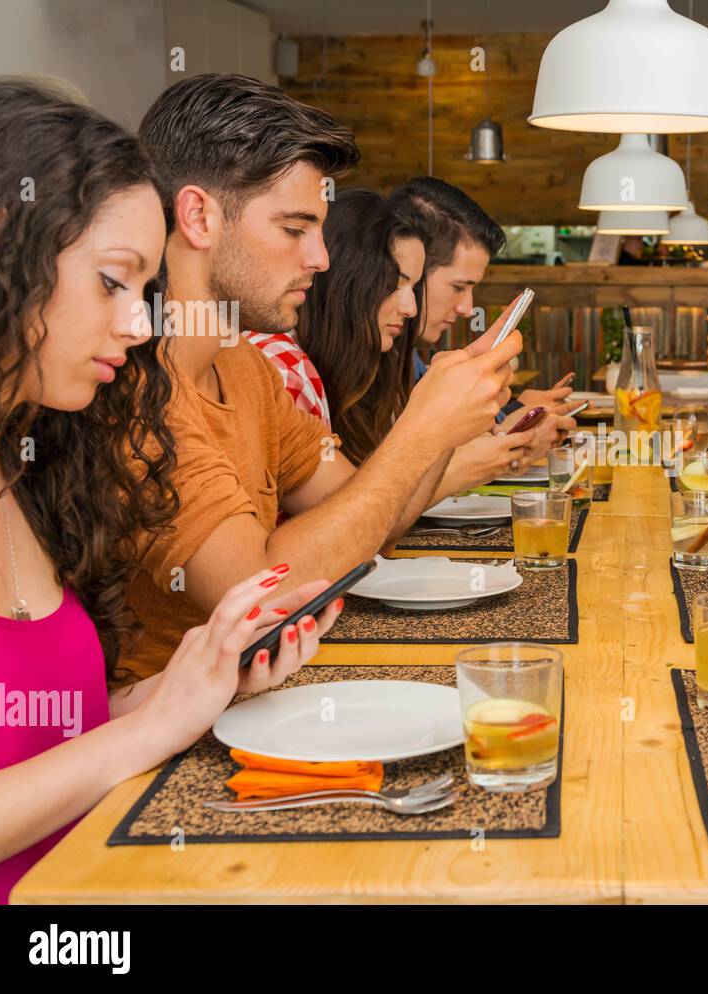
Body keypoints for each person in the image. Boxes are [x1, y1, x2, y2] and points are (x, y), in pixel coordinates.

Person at [0, 79, 338, 905]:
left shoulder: (31, 470)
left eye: (144, 292)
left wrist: (196, 680)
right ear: (0, 247)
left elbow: (34, 729)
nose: (141, 327)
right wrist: (148, 728)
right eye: (113, 282)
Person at [124, 73, 522, 680]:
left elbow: (368, 523)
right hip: (166, 753)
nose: (322, 258)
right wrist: (422, 428)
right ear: (199, 216)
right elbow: (258, 594)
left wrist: (443, 424)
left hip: (272, 694)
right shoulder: (139, 391)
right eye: (294, 228)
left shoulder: (245, 367)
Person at [247, 189, 537, 498]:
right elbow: (350, 524)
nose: (411, 308)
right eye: (394, 283)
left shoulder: (371, 361)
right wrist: (443, 447)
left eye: (412, 287)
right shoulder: (283, 366)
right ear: (345, 280)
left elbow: (360, 515)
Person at [390, 176, 579, 425]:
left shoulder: (406, 355)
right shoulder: (368, 359)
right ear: (409, 266)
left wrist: (517, 410)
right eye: (458, 287)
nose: (467, 309)